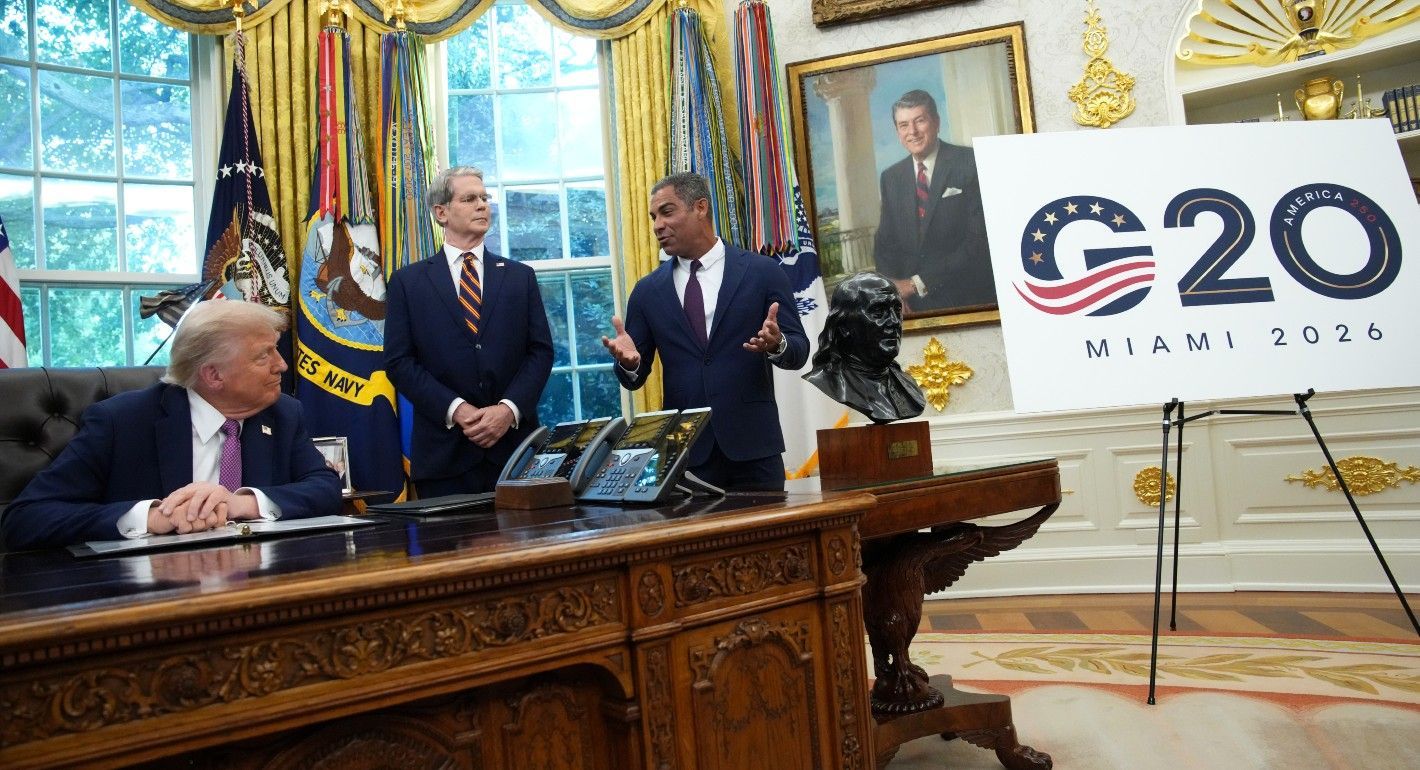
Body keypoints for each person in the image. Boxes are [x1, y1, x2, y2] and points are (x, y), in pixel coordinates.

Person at [1, 301, 342, 551]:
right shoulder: (122, 421)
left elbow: (326, 490)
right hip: (153, 603)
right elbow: (25, 519)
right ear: (213, 375)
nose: (281, 365)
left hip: (260, 592)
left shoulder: (283, 414)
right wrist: (150, 518)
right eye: (263, 355)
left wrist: (240, 504)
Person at [601, 172, 809, 491]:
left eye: (667, 212)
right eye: (654, 217)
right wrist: (628, 365)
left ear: (700, 208)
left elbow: (799, 350)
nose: (657, 225)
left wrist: (777, 343)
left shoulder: (763, 273)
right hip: (686, 456)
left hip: (754, 450)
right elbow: (636, 373)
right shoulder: (647, 292)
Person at [384, 166, 553, 497]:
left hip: (517, 453)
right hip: (444, 457)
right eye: (470, 198)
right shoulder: (408, 282)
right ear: (441, 212)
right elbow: (399, 362)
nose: (482, 205)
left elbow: (540, 351)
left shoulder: (520, 276)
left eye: (485, 198)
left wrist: (508, 410)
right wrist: (457, 410)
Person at [872, 89, 993, 313]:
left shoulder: (970, 162)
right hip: (911, 306)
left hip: (969, 299)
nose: (913, 132)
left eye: (920, 121)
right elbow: (885, 244)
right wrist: (893, 292)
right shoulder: (891, 177)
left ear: (936, 122)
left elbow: (979, 241)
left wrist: (916, 284)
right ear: (897, 131)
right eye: (904, 125)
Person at [803, 272, 926, 424]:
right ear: (844, 326)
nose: (894, 321)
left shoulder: (909, 387)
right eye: (878, 312)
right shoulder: (829, 382)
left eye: (897, 310)